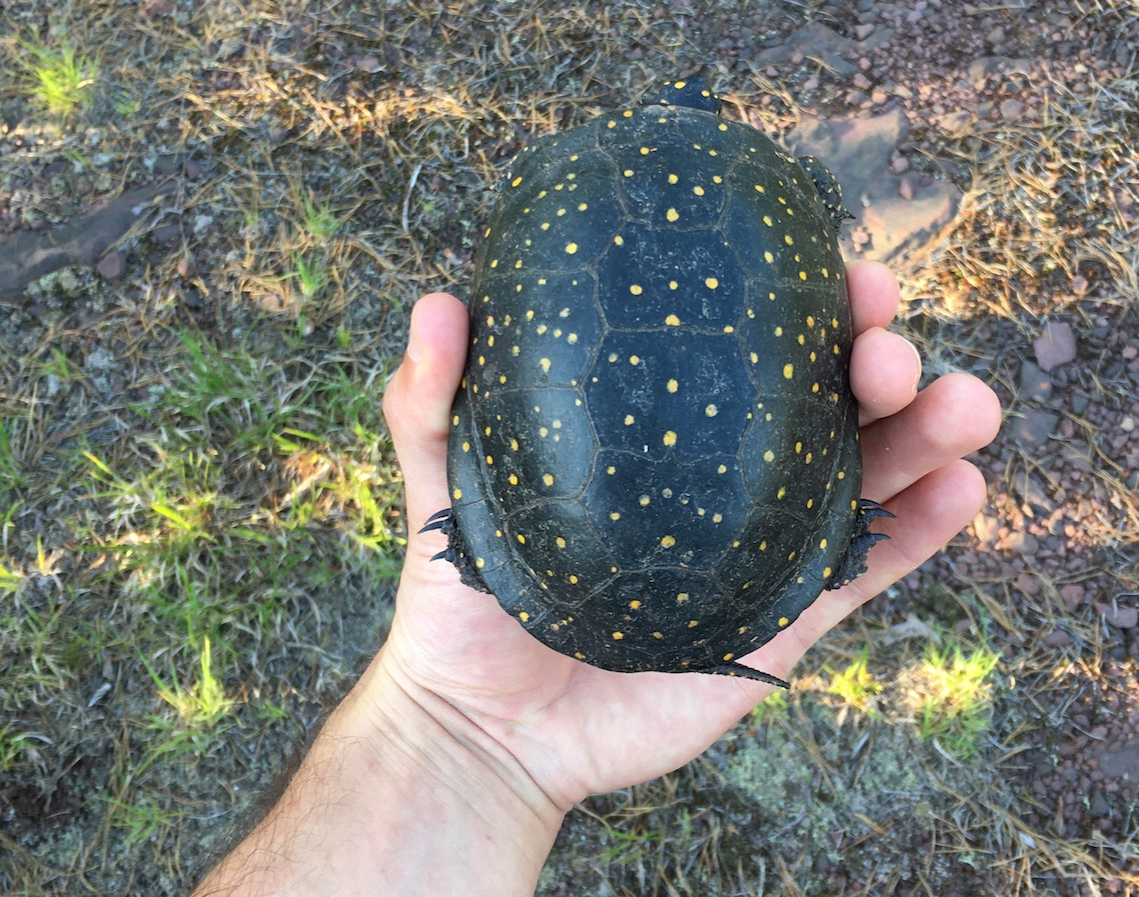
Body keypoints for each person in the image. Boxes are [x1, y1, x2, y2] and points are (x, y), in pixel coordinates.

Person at [193, 260, 1001, 896]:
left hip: (575, 566)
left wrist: (450, 734)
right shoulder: (741, 176)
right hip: (733, 562)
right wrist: (455, 733)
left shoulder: (550, 174)